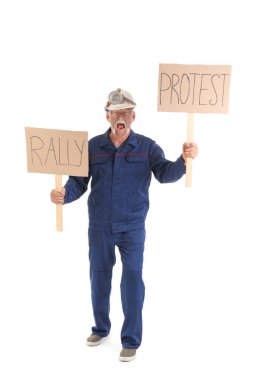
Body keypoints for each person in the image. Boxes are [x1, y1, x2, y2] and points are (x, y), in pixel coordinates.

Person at [50, 88, 198, 362]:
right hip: (99, 227)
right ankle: (101, 328)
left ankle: (130, 340)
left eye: (126, 112)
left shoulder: (147, 147)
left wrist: (184, 161)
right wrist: (63, 195)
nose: (121, 116)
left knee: (132, 280)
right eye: (116, 111)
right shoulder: (92, 147)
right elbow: (77, 182)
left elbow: (165, 174)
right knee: (99, 278)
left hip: (132, 228)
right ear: (107, 115)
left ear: (134, 116)